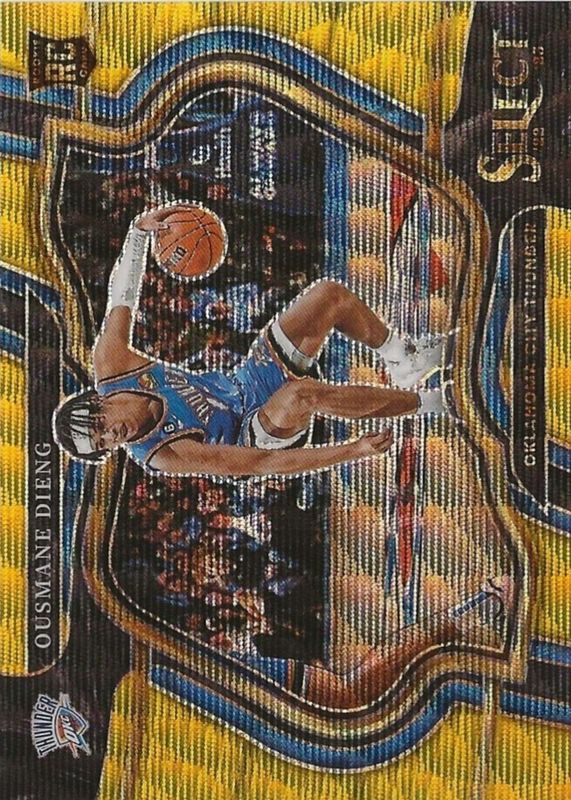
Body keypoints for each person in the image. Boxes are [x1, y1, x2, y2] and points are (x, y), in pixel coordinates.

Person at [53, 205, 445, 477]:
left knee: (328, 297)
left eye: (100, 426)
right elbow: (260, 464)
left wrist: (139, 232)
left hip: (244, 384)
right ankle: (433, 403)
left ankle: (404, 359)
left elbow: (122, 297)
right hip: (253, 434)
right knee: (301, 395)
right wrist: (353, 450)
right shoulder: (164, 454)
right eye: (103, 444)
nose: (112, 437)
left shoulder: (112, 364)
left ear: (97, 402)